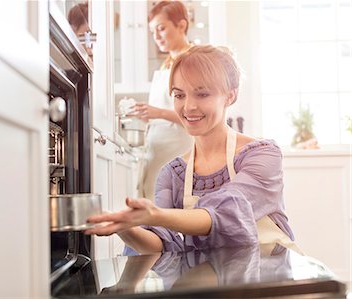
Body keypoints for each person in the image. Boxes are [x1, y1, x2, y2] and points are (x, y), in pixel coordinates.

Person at [86, 45, 300, 255]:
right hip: (214, 283)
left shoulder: (262, 154)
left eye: (202, 94)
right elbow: (160, 243)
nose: (188, 107)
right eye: (179, 95)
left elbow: (229, 209)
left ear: (230, 96)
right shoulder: (172, 174)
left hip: (272, 280)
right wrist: (126, 228)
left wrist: (156, 215)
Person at [133, 1, 193, 200]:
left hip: (178, 148)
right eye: (152, 31)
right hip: (157, 149)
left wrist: (157, 113)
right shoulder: (167, 63)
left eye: (161, 28)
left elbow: (193, 112)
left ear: (181, 26)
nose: (156, 36)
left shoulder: (192, 61)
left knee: (172, 206)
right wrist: (148, 116)